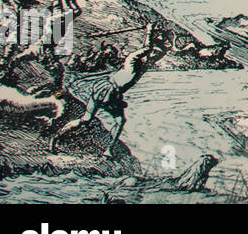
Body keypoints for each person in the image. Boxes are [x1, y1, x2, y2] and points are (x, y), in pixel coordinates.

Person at [50, 23, 166, 156]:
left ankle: (108, 149)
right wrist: (150, 30)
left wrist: (163, 40)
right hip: (107, 89)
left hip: (112, 93)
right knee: (88, 120)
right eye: (153, 52)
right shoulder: (131, 60)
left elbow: (155, 52)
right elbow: (147, 47)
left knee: (115, 121)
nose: (153, 55)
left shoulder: (143, 65)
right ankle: (57, 137)